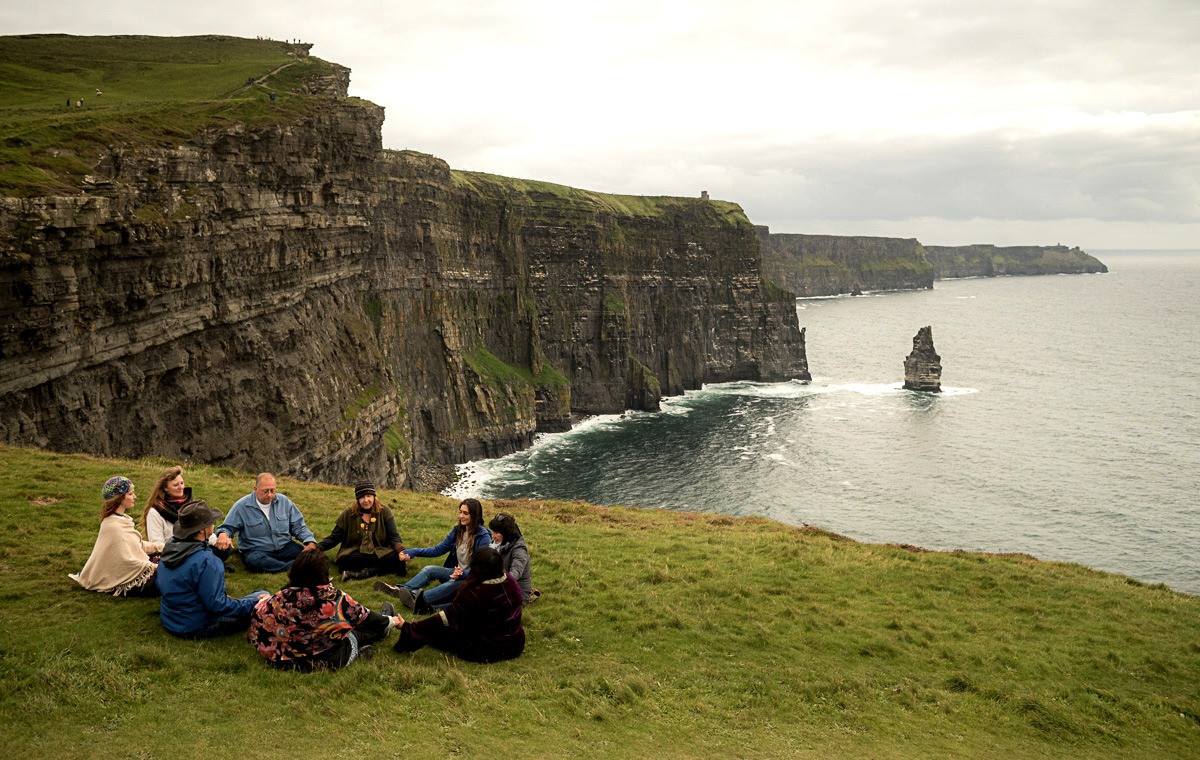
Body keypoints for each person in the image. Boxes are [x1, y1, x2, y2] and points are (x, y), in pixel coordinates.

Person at [247, 548, 401, 670]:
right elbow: (365, 617)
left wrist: (265, 599)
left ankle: (379, 631)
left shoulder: (282, 596)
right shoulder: (334, 597)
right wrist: (391, 621)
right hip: (322, 661)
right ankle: (382, 631)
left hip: (279, 659)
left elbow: (258, 613)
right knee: (353, 633)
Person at [157, 502, 270, 639]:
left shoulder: (170, 549)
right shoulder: (206, 561)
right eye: (211, 522)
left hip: (171, 620)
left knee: (254, 597)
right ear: (201, 530)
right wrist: (254, 602)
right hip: (197, 626)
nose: (214, 524)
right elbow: (218, 606)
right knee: (263, 596)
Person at [391, 547, 524, 663]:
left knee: (439, 632)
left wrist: (408, 627)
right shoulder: (511, 581)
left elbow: (443, 619)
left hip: (487, 649)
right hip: (516, 644)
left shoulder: (476, 593)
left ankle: (423, 610)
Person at [373, 498, 489, 612]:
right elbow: (438, 550)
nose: (461, 516)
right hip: (456, 572)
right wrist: (414, 551)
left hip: (472, 577)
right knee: (429, 569)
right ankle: (402, 590)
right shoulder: (458, 531)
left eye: (465, 513)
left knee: (452, 583)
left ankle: (419, 599)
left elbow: (481, 569)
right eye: (460, 512)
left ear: (475, 515)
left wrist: (462, 574)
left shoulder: (483, 537)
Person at [69, 476, 162, 597]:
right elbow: (126, 560)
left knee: (168, 557)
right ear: (119, 499)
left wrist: (163, 547)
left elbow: (136, 546)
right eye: (130, 494)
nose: (135, 497)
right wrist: (155, 567)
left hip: (136, 567)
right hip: (131, 582)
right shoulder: (114, 526)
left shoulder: (121, 520)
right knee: (169, 569)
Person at [214, 473, 317, 573]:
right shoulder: (241, 506)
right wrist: (223, 535)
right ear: (255, 489)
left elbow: (299, 526)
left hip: (285, 546)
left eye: (273, 491)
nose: (270, 495)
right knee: (254, 561)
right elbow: (227, 527)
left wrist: (310, 542)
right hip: (257, 550)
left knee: (315, 555)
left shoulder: (284, 502)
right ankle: (291, 566)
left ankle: (288, 565)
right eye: (265, 491)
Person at [143, 467, 233, 568]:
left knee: (225, 550)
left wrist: (217, 542)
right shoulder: (155, 512)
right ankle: (209, 564)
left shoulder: (188, 503)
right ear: (165, 488)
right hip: (174, 552)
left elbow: (204, 526)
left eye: (182, 483)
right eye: (176, 485)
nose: (180, 487)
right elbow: (157, 543)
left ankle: (208, 563)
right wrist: (184, 549)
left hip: (195, 545)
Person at [316, 481, 406, 581]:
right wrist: (317, 547)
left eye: (368, 496)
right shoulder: (348, 513)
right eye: (362, 497)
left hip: (379, 551)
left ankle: (362, 574)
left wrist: (400, 549)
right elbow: (335, 537)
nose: (366, 500)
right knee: (343, 561)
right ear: (358, 499)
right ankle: (377, 570)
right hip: (356, 552)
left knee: (397, 558)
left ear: (374, 497)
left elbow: (393, 536)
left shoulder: (385, 511)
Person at [488, 513, 537, 606]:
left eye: (496, 533)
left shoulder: (519, 549)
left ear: (506, 533)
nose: (493, 536)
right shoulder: (498, 544)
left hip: (516, 592)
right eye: (493, 532)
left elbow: (515, 574)